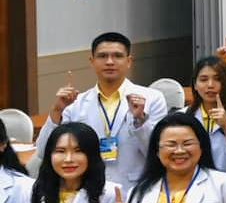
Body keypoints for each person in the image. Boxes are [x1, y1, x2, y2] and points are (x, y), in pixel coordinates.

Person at [40, 31, 168, 194]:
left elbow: (159, 152)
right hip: (87, 191)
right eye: (102, 56)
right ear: (92, 62)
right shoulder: (76, 103)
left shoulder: (151, 98)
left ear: (129, 61)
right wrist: (57, 110)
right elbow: (43, 151)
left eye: (117, 56)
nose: (109, 62)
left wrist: (140, 120)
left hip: (136, 189)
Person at [189, 55, 226, 173]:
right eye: (203, 79)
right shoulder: (183, 116)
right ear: (195, 85)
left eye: (217, 79)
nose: (210, 85)